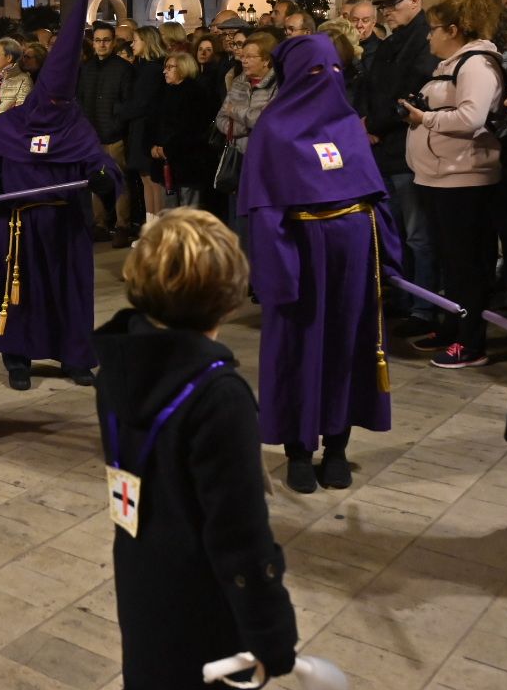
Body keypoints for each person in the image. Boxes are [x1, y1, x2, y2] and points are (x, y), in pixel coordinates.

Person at [94, 209, 298, 690]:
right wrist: (271, 633)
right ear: (227, 298)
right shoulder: (217, 396)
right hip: (198, 603)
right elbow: (239, 534)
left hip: (141, 576)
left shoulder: (122, 362)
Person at [240, 35, 403, 493]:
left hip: (352, 266)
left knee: (346, 350)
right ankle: (297, 449)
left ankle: (337, 445)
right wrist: (277, 275)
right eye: (315, 73)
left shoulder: (349, 124)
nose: (327, 81)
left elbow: (374, 195)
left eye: (334, 71)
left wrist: (385, 256)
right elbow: (265, 210)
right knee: (300, 352)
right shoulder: (273, 130)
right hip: (302, 265)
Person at [0, 5, 122, 390]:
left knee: (69, 294)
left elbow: (100, 162)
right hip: (19, 223)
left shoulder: (76, 125)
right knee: (19, 293)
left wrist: (102, 177)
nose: (57, 108)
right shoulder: (11, 124)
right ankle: (17, 359)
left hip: (66, 223)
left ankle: (75, 356)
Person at [399, 0, 507, 369]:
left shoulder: (476, 64)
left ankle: (471, 343)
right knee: (452, 263)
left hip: (466, 179)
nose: (428, 37)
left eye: (432, 29)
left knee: (467, 266)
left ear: (453, 30)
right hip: (442, 177)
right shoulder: (452, 64)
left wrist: (425, 120)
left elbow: (472, 118)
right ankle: (452, 327)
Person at [354, 0, 440, 333]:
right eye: (383, 7)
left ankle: (424, 306)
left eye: (392, 5)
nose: (386, 12)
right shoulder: (397, 41)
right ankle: (403, 298)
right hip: (385, 148)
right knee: (396, 233)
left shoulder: (421, 41)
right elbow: (378, 87)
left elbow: (410, 91)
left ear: (415, 1)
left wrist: (374, 123)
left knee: (417, 234)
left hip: (404, 147)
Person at [77, 21, 135, 247]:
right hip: (92, 135)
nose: (101, 44)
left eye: (106, 40)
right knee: (96, 180)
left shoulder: (123, 69)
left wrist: (116, 125)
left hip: (113, 135)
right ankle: (99, 224)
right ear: (93, 42)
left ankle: (123, 226)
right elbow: (80, 99)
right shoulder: (86, 68)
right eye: (98, 40)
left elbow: (126, 102)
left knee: (120, 181)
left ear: (113, 42)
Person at [214, 34, 278, 233]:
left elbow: (266, 121)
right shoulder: (239, 82)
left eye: (250, 56)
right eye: (243, 56)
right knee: (238, 218)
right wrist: (243, 127)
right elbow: (221, 119)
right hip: (238, 159)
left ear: (266, 59)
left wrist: (236, 112)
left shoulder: (278, 84)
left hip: (265, 162)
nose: (244, 60)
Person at [151, 51, 218, 211]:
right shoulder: (163, 92)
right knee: (169, 208)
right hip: (165, 159)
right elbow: (153, 122)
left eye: (170, 67)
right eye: (165, 66)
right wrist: (154, 145)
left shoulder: (195, 94)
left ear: (183, 68)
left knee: (189, 210)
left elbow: (192, 129)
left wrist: (168, 148)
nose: (164, 71)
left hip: (187, 160)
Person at [119, 25, 168, 234]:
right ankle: (150, 228)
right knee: (145, 179)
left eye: (136, 40)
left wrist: (119, 110)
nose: (132, 44)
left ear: (147, 42)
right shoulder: (144, 67)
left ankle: (157, 230)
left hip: (148, 129)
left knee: (153, 180)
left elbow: (142, 103)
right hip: (139, 128)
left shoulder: (152, 70)